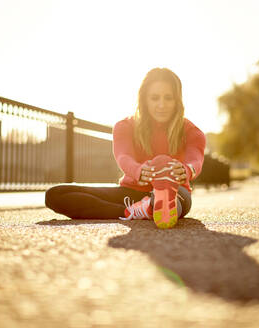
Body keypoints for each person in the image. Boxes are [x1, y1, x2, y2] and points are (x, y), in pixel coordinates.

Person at [45, 68, 206, 229]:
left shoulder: (191, 131)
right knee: (55, 195)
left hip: (178, 191)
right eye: (155, 98)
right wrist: (139, 171)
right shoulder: (125, 126)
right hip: (130, 192)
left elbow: (195, 158)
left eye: (168, 98)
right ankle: (138, 211)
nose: (161, 105)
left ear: (177, 100)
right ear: (144, 99)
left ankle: (158, 203)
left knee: (177, 198)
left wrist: (186, 169)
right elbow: (123, 157)